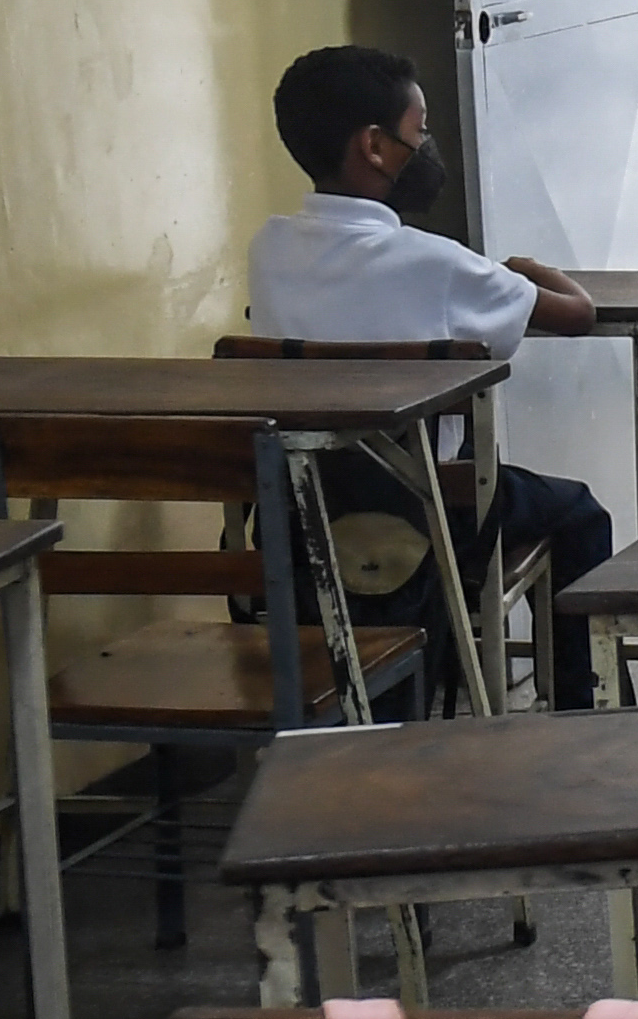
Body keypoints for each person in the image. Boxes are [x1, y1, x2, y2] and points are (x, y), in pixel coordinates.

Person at [254, 44, 617, 698]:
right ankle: (574, 713)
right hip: (426, 512)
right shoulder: (440, 264)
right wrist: (526, 268)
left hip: (300, 511)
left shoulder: (271, 248)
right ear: (374, 146)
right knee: (577, 513)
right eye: (417, 132)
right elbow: (577, 315)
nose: (426, 146)